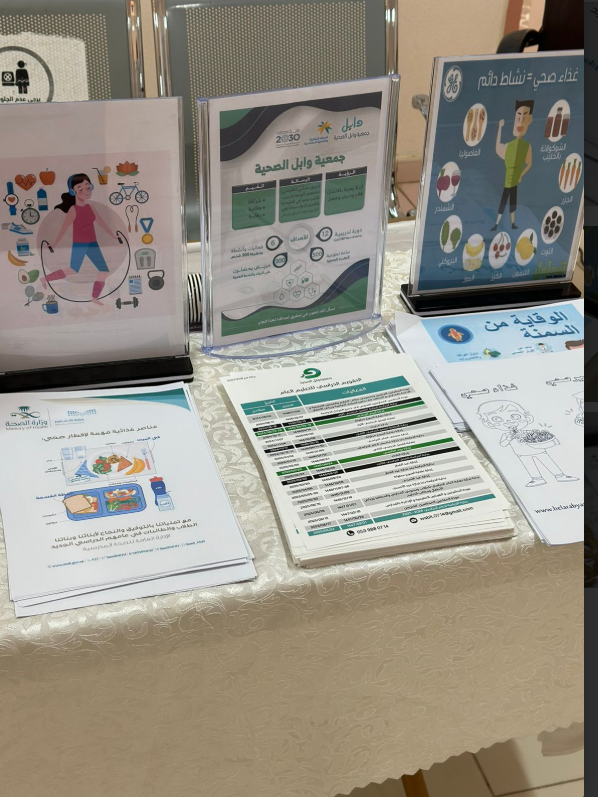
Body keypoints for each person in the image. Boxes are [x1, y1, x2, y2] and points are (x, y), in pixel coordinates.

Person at [42, 173, 119, 304]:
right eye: (80, 188)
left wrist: (113, 235)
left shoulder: (90, 207)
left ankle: (94, 298)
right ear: (73, 192)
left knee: (104, 270)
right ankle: (45, 279)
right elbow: (64, 228)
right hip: (80, 244)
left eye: (88, 187)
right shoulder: (73, 209)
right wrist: (54, 243)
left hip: (92, 243)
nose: (86, 191)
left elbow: (101, 222)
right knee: (73, 270)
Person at [478, 399, 577, 487]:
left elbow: (540, 437)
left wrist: (553, 440)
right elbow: (503, 444)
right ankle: (537, 479)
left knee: (548, 462)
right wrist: (509, 438)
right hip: (522, 454)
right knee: (530, 466)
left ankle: (560, 475)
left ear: (527, 418)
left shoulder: (527, 431)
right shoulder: (506, 435)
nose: (508, 421)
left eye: (515, 416)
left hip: (538, 450)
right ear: (489, 423)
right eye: (496, 419)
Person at [491, 100, 534, 231]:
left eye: (524, 117)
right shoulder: (509, 146)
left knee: (512, 203)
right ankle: (497, 223)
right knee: (503, 202)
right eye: (518, 116)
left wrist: (520, 175)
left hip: (514, 182)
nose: (520, 122)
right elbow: (497, 148)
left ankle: (512, 223)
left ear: (529, 120)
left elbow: (529, 164)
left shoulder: (527, 146)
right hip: (507, 182)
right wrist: (500, 128)